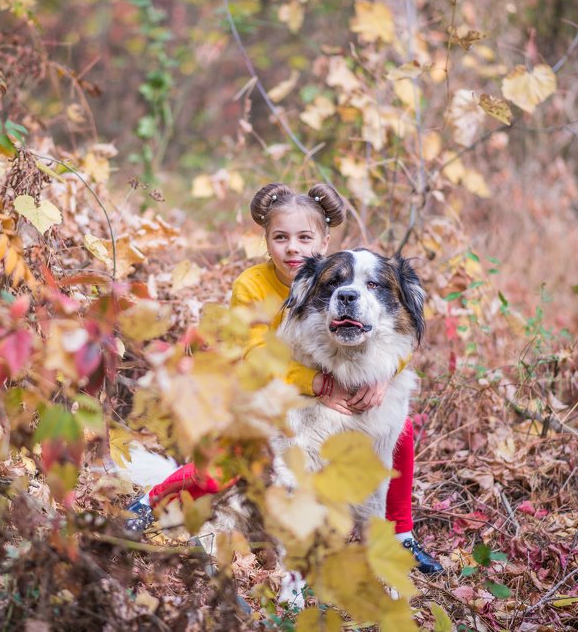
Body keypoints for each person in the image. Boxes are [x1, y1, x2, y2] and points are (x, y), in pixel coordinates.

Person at [127, 182, 443, 574]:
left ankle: (400, 534)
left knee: (403, 432)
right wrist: (317, 385)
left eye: (304, 238)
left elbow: (398, 331)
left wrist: (387, 375)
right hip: (257, 387)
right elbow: (256, 353)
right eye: (280, 238)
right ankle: (149, 501)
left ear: (324, 241)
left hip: (318, 391)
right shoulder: (258, 285)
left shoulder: (334, 278)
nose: (292, 248)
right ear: (266, 240)